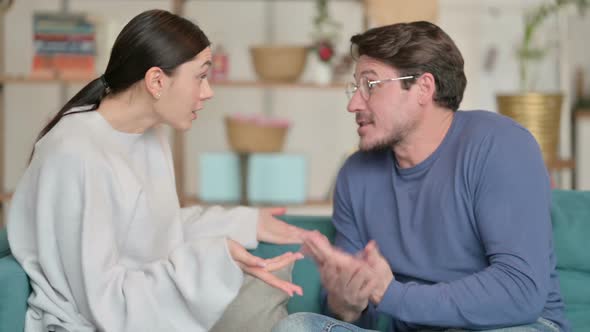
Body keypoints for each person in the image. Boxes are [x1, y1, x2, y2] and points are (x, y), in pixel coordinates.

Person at [7, 9, 311, 332]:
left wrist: (245, 222)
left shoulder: (150, 136)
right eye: (200, 76)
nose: (208, 92)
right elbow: (105, 305)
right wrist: (213, 261)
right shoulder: (74, 153)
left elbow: (158, 231)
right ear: (156, 81)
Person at [273, 21, 568, 332]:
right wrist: (346, 301)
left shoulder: (500, 145)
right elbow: (359, 316)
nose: (353, 104)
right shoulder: (355, 174)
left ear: (424, 88)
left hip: (515, 326)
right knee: (297, 326)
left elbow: (520, 291)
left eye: (370, 86)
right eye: (354, 88)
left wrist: (391, 294)